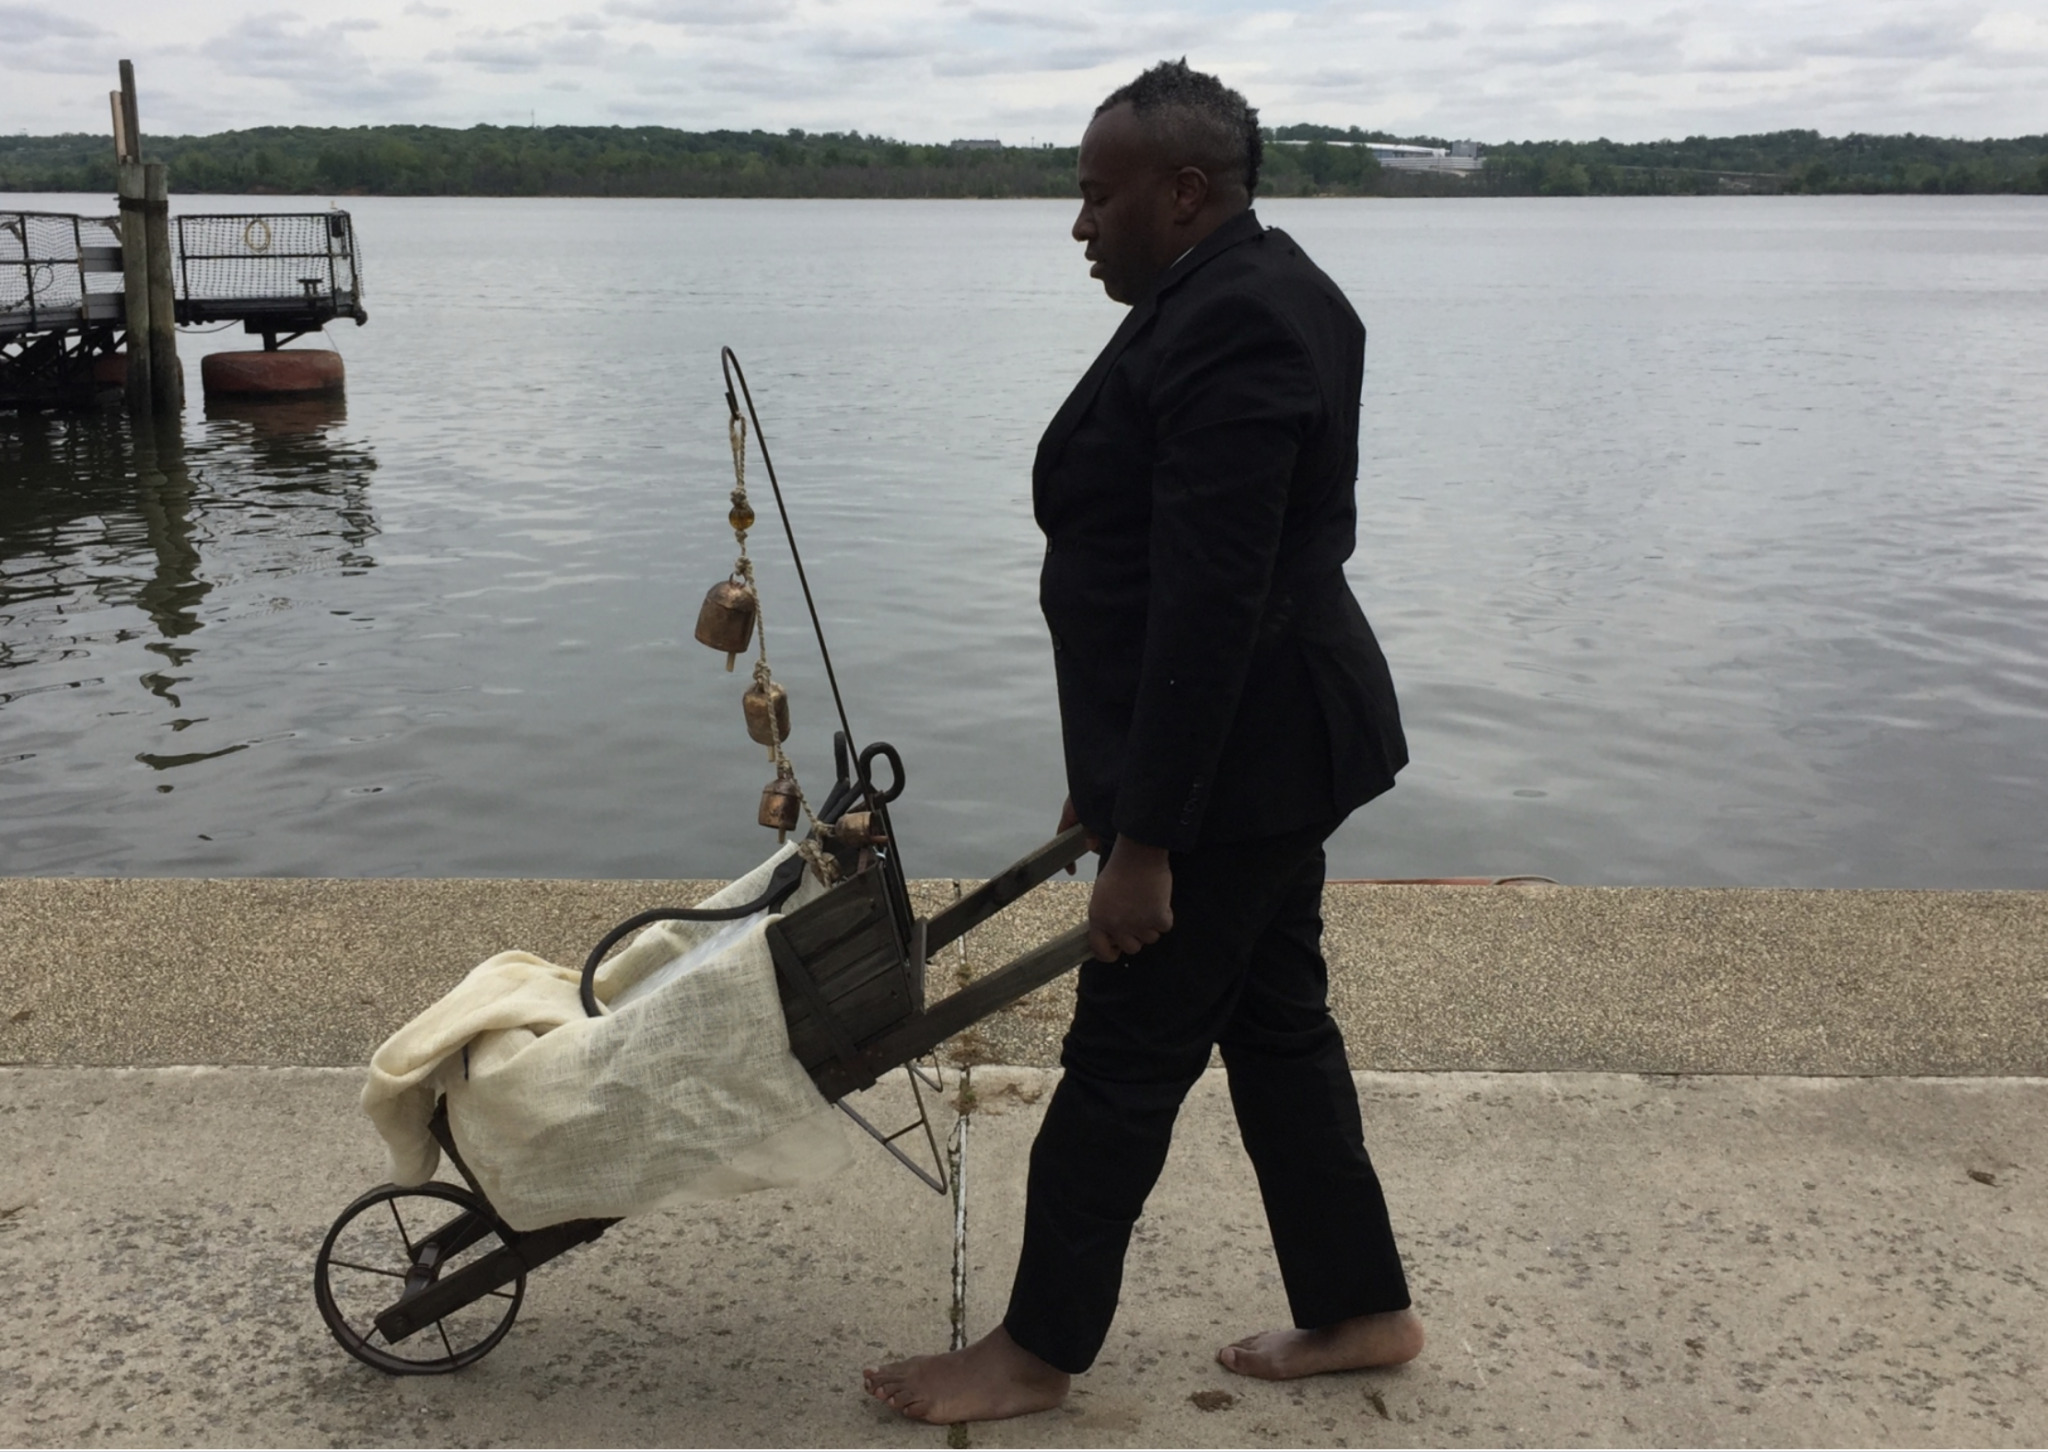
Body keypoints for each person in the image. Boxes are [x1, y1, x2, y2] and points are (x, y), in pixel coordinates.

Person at [865, 59, 1422, 1425]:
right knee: (1279, 1026)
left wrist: (1147, 840)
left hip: (1242, 769)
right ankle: (1363, 1308)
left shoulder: (1242, 324)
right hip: (1258, 750)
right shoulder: (1235, 290)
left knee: (1123, 1058)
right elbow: (1167, 577)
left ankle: (1036, 1351)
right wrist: (1109, 777)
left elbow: (1212, 599)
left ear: (1184, 192)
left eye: (1097, 195)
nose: (1080, 226)